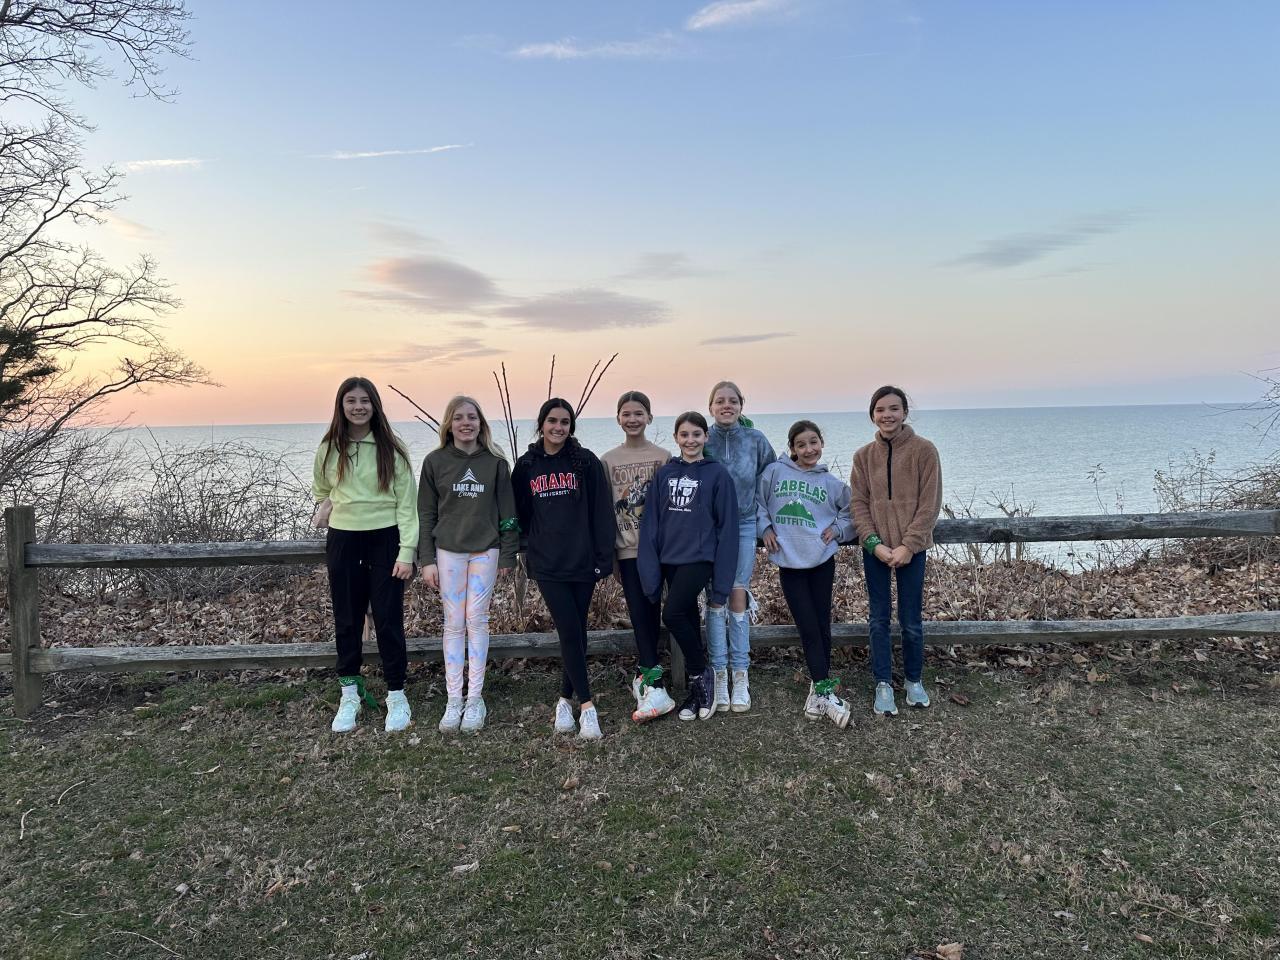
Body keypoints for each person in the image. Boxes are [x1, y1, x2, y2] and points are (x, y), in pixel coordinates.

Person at [312, 377, 418, 734]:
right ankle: (349, 694)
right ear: (341, 406)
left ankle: (396, 694)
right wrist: (329, 505)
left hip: (385, 539)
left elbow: (407, 506)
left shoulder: (392, 448)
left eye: (364, 401)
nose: (358, 407)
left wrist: (407, 551)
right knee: (347, 618)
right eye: (351, 401)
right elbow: (321, 489)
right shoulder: (329, 447)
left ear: (374, 405)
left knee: (388, 619)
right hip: (344, 540)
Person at [512, 398, 616, 740]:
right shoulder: (526, 465)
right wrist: (530, 546)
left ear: (571, 427)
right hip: (547, 563)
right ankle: (587, 707)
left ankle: (563, 699)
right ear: (541, 424)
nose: (558, 427)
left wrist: (603, 558)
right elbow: (521, 513)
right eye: (552, 421)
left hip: (583, 561)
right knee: (569, 630)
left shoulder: (585, 462)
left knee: (577, 631)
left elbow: (602, 511)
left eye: (565, 422)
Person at [418, 396, 518, 734]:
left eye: (472, 417)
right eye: (459, 417)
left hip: (485, 552)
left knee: (477, 619)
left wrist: (508, 554)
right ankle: (453, 699)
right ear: (449, 424)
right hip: (448, 551)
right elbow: (426, 514)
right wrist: (427, 559)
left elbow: (508, 514)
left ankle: (474, 698)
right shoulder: (434, 462)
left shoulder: (495, 463)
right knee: (453, 623)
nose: (466, 423)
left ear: (480, 423)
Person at [638, 412, 738, 722]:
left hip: (700, 558)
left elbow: (728, 529)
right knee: (689, 620)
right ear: (676, 438)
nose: (690, 440)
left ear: (706, 437)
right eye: (684, 434)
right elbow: (652, 522)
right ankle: (697, 694)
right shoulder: (665, 474)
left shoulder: (717, 474)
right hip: (669, 558)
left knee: (672, 614)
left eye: (696, 434)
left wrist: (722, 585)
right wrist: (651, 571)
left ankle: (701, 674)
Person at [850, 385, 942, 717]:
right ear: (872, 415)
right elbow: (858, 504)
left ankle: (914, 680)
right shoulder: (863, 456)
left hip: (911, 551)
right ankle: (883, 683)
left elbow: (930, 504)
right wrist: (873, 543)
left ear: (904, 412)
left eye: (893, 408)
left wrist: (908, 545)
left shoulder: (924, 451)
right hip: (875, 550)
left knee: (910, 619)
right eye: (880, 410)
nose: (887, 415)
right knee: (878, 619)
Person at [757, 420, 854, 728]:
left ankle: (818, 687)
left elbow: (853, 511)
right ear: (792, 448)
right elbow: (758, 503)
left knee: (822, 625)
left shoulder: (831, 483)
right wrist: (765, 527)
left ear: (821, 443)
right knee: (808, 627)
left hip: (822, 561)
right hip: (790, 564)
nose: (809, 449)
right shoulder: (774, 473)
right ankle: (824, 690)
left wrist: (838, 529)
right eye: (801, 444)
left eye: (814, 442)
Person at [600, 391, 677, 723]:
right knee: (639, 613)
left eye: (638, 413)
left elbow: (671, 506)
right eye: (626, 414)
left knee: (655, 611)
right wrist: (612, 556)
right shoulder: (608, 460)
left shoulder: (663, 457)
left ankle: (648, 675)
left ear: (649, 417)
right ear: (618, 418)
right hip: (628, 550)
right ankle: (653, 681)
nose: (632, 419)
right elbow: (605, 511)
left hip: (658, 550)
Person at [704, 380, 776, 713]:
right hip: (710, 528)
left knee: (737, 594)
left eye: (732, 401)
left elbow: (770, 482)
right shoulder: (703, 438)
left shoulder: (756, 440)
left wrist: (766, 523)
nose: (726, 406)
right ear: (711, 407)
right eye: (720, 401)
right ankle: (719, 674)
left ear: (741, 405)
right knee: (714, 598)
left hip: (745, 524)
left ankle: (740, 674)